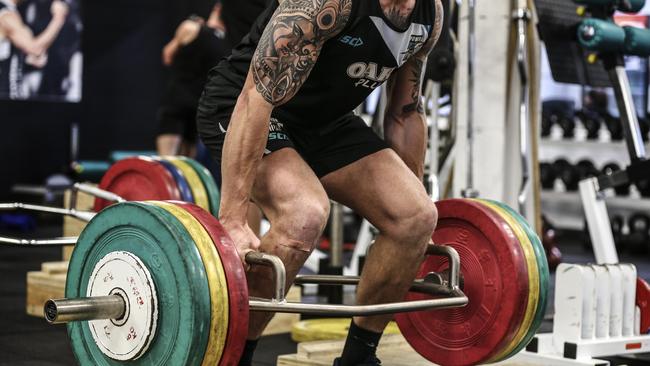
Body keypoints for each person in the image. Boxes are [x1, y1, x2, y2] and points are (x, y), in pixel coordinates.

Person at [197, 0, 443, 364]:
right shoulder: (328, 4)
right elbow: (255, 98)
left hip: (325, 122)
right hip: (246, 105)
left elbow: (405, 114)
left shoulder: (430, 16)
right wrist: (232, 219)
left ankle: (359, 357)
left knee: (415, 218)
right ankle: (234, 356)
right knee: (304, 214)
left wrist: (416, 214)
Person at [156, 2, 229, 157]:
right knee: (187, 166)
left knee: (169, 163)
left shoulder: (191, 28)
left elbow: (167, 55)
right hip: (199, 103)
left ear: (217, 9)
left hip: (180, 100)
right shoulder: (229, 42)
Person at [0, 0, 68, 98]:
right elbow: (35, 49)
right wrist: (59, 18)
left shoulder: (9, 11)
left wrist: (26, 59)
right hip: (7, 93)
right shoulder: (6, 16)